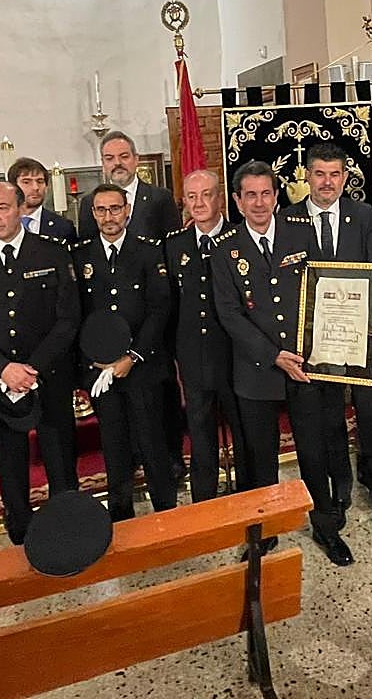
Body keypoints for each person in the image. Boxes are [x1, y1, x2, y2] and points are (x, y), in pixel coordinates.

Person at [212, 160, 353, 566]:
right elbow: (229, 313)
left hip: (305, 365)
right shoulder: (226, 250)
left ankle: (326, 527)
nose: (259, 203)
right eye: (250, 195)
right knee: (261, 458)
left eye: (266, 193)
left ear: (277, 197)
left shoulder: (302, 232)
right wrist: (274, 355)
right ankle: (265, 533)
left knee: (315, 450)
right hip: (257, 371)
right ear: (238, 201)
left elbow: (325, 287)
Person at [282, 142, 372, 545]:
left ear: (345, 176)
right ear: (306, 176)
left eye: (335, 174)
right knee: (329, 419)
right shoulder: (288, 220)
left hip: (362, 338)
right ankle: (338, 492)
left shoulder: (363, 215)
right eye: (319, 174)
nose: (327, 183)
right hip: (315, 343)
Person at [0, 182, 81, 545]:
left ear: (21, 208)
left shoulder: (52, 253)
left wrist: (33, 367)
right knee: (10, 463)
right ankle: (21, 529)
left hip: (49, 375)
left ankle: (67, 527)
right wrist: (2, 368)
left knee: (60, 458)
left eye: (3, 208)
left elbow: (68, 319)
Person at [77, 130, 187, 480]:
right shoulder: (89, 203)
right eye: (109, 158)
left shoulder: (159, 198)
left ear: (136, 159)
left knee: (161, 396)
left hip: (155, 315)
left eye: (123, 156)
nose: (117, 163)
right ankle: (135, 458)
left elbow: (171, 253)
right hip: (110, 325)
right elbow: (88, 260)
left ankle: (170, 456)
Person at [71, 184, 176, 520]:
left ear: (127, 210)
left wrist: (132, 357)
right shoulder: (81, 254)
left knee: (152, 441)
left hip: (142, 366)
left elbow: (160, 308)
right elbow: (77, 314)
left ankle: (166, 511)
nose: (108, 217)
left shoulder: (148, 251)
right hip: (101, 369)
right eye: (101, 210)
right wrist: (94, 362)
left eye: (115, 209)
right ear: (92, 214)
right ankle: (120, 512)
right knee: (113, 442)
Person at [163, 169, 243, 502]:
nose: (198, 203)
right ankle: (205, 503)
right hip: (194, 356)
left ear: (220, 198)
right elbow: (170, 305)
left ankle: (249, 498)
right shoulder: (174, 245)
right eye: (191, 196)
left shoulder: (240, 238)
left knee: (242, 430)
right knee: (200, 432)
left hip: (237, 355)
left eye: (206, 194)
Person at [0, 157, 77, 243]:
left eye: (40, 181)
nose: (35, 187)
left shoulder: (63, 226)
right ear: (13, 186)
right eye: (26, 182)